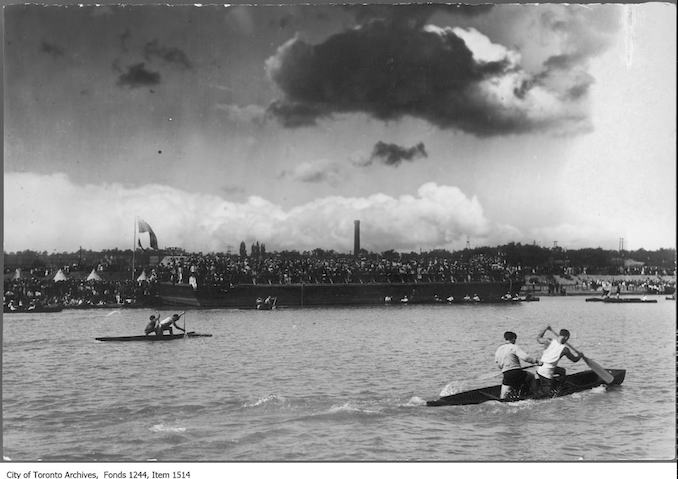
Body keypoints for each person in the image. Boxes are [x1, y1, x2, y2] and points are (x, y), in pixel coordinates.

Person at [535, 325, 583, 393]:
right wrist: (580, 355)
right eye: (568, 338)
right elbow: (574, 360)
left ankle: (559, 386)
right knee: (548, 394)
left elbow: (538, 338)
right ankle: (556, 390)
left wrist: (545, 329)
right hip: (547, 373)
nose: (567, 340)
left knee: (562, 371)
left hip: (539, 368)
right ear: (566, 337)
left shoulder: (548, 341)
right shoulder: (565, 349)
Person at [495, 331, 541, 399]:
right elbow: (525, 358)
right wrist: (536, 361)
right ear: (513, 339)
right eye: (515, 339)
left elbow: (499, 365)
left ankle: (503, 399)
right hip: (516, 372)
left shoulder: (499, 349)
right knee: (532, 376)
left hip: (506, 374)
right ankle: (535, 394)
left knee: (503, 395)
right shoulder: (514, 347)